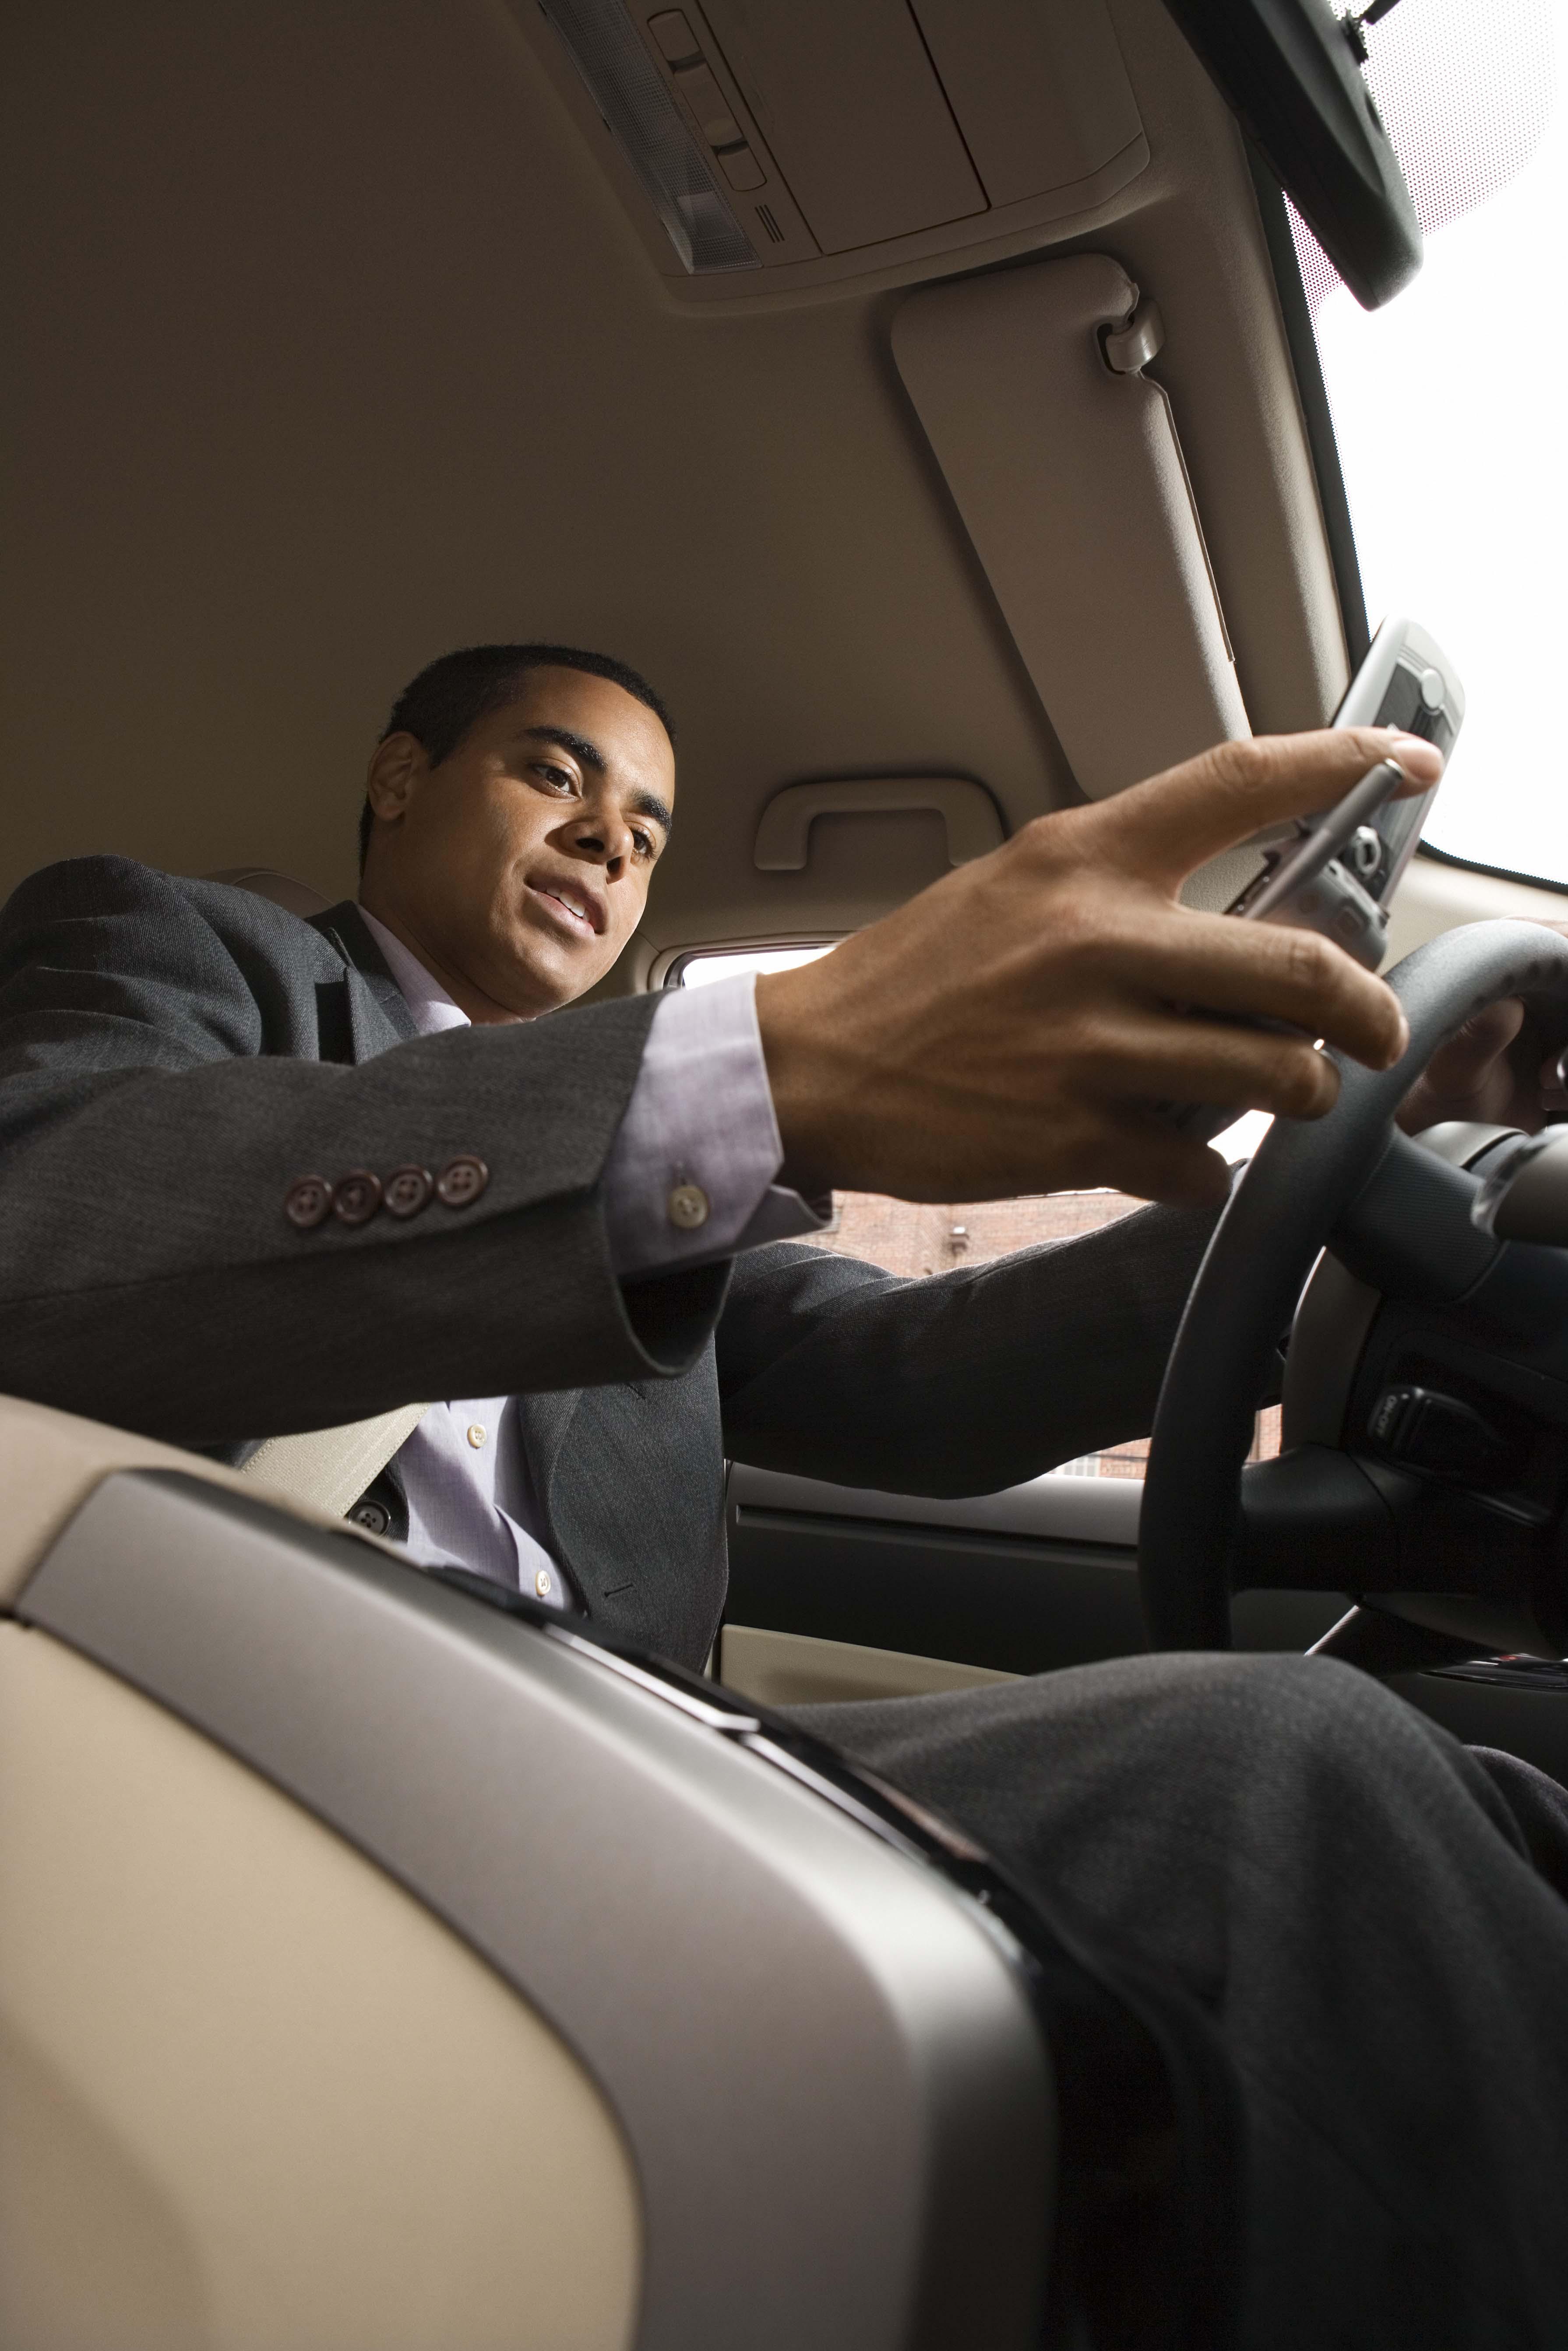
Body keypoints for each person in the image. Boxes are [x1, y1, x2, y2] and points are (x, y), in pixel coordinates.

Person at [0, 641, 1564, 2346]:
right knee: (1288, 1778)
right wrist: (754, 1068)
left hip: (628, 1765)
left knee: (1483, 1798)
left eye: (649, 827)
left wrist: (1340, 1205)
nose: (609, 839)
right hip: (242, 1770)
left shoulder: (672, 1211)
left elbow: (912, 1382)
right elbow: (45, 1216)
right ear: (395, 776)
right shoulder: (182, 946)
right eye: (553, 772)